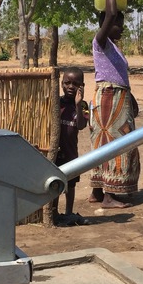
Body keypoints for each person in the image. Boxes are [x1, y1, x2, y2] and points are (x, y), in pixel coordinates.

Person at [89, 0, 140, 209]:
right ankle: (109, 196)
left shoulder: (114, 49)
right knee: (115, 144)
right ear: (107, 26)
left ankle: (98, 192)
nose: (121, 27)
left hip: (116, 97)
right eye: (118, 23)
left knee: (104, 142)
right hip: (109, 98)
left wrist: (131, 97)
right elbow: (109, 14)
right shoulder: (100, 42)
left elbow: (120, 75)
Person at [53, 66, 90, 226]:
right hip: (55, 152)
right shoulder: (57, 103)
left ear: (82, 85)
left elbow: (81, 125)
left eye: (75, 84)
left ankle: (68, 212)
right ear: (61, 83)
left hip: (70, 152)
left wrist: (77, 104)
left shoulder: (83, 106)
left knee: (71, 184)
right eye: (67, 83)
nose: (70, 87)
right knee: (54, 183)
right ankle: (53, 212)